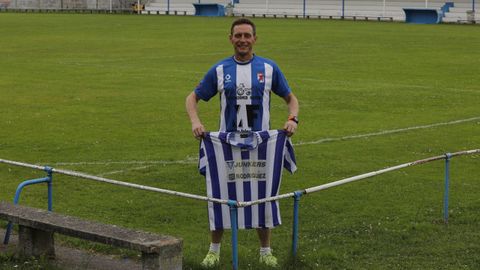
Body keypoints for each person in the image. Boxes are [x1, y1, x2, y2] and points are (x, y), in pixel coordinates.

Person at [185, 18, 299, 268]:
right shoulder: (219, 70)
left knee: (263, 195)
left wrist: (292, 119)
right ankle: (214, 250)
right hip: (226, 146)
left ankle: (265, 251)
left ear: (255, 39)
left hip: (261, 145)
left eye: (247, 35)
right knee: (219, 196)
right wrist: (195, 122)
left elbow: (291, 99)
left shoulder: (269, 68)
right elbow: (192, 98)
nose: (243, 40)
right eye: (238, 36)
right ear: (231, 39)